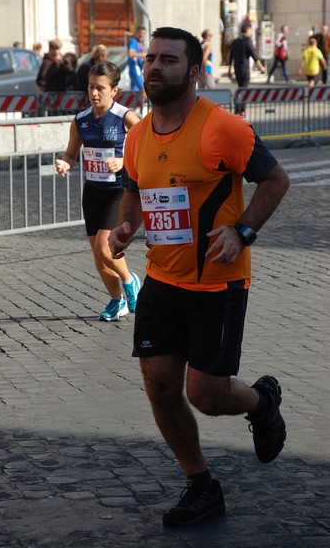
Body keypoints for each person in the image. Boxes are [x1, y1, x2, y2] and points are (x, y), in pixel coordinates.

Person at [108, 27, 290, 527]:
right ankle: (201, 484)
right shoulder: (137, 135)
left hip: (218, 286)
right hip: (162, 283)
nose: (155, 68)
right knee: (161, 388)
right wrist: (126, 227)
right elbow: (136, 189)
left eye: (168, 60)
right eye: (150, 59)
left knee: (205, 395)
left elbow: (276, 179)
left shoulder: (221, 128)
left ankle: (262, 400)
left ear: (192, 71)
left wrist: (244, 229)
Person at [55, 61, 141, 321]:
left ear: (114, 91)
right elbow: (71, 154)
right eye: (91, 87)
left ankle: (130, 280)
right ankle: (116, 300)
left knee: (105, 249)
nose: (94, 93)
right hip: (92, 191)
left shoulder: (126, 117)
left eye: (100, 88)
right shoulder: (80, 121)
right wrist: (64, 163)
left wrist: (124, 160)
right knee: (98, 253)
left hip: (119, 191)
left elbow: (146, 148)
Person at [228, 22, 266, 114]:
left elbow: (231, 56)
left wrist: (229, 69)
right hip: (245, 69)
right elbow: (253, 54)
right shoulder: (247, 40)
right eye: (250, 30)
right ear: (247, 30)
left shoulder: (235, 41)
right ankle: (241, 110)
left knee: (240, 88)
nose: (251, 32)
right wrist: (261, 67)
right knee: (244, 90)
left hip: (237, 69)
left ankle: (238, 110)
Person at [127, 26, 147, 96]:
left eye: (143, 33)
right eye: (139, 33)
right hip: (135, 70)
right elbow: (130, 53)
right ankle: (150, 106)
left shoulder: (139, 43)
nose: (141, 35)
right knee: (145, 91)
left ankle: (136, 106)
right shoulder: (133, 41)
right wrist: (142, 55)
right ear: (136, 33)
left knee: (135, 94)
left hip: (137, 70)